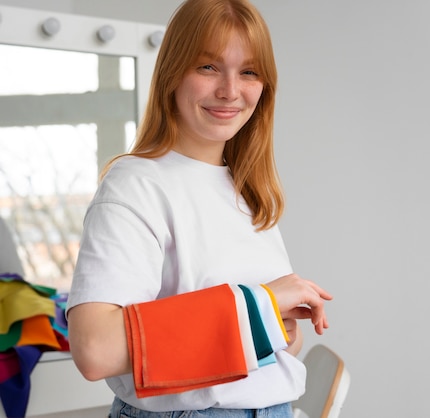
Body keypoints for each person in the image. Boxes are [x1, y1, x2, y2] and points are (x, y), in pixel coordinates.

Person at [66, 0, 332, 416]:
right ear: (173, 72)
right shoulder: (136, 185)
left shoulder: (245, 190)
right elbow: (94, 348)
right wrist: (262, 304)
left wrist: (275, 323)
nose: (230, 90)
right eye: (207, 67)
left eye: (249, 72)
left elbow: (271, 343)